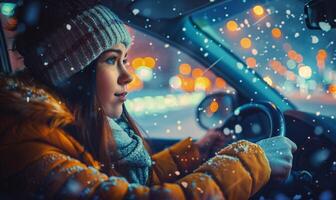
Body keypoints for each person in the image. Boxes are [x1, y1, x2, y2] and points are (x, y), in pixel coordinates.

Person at [0, 0, 297, 199]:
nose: (127, 76)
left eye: (125, 59)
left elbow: (131, 183)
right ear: (73, 72)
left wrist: (197, 153)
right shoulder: (28, 149)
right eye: (111, 60)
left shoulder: (77, 131)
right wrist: (252, 162)